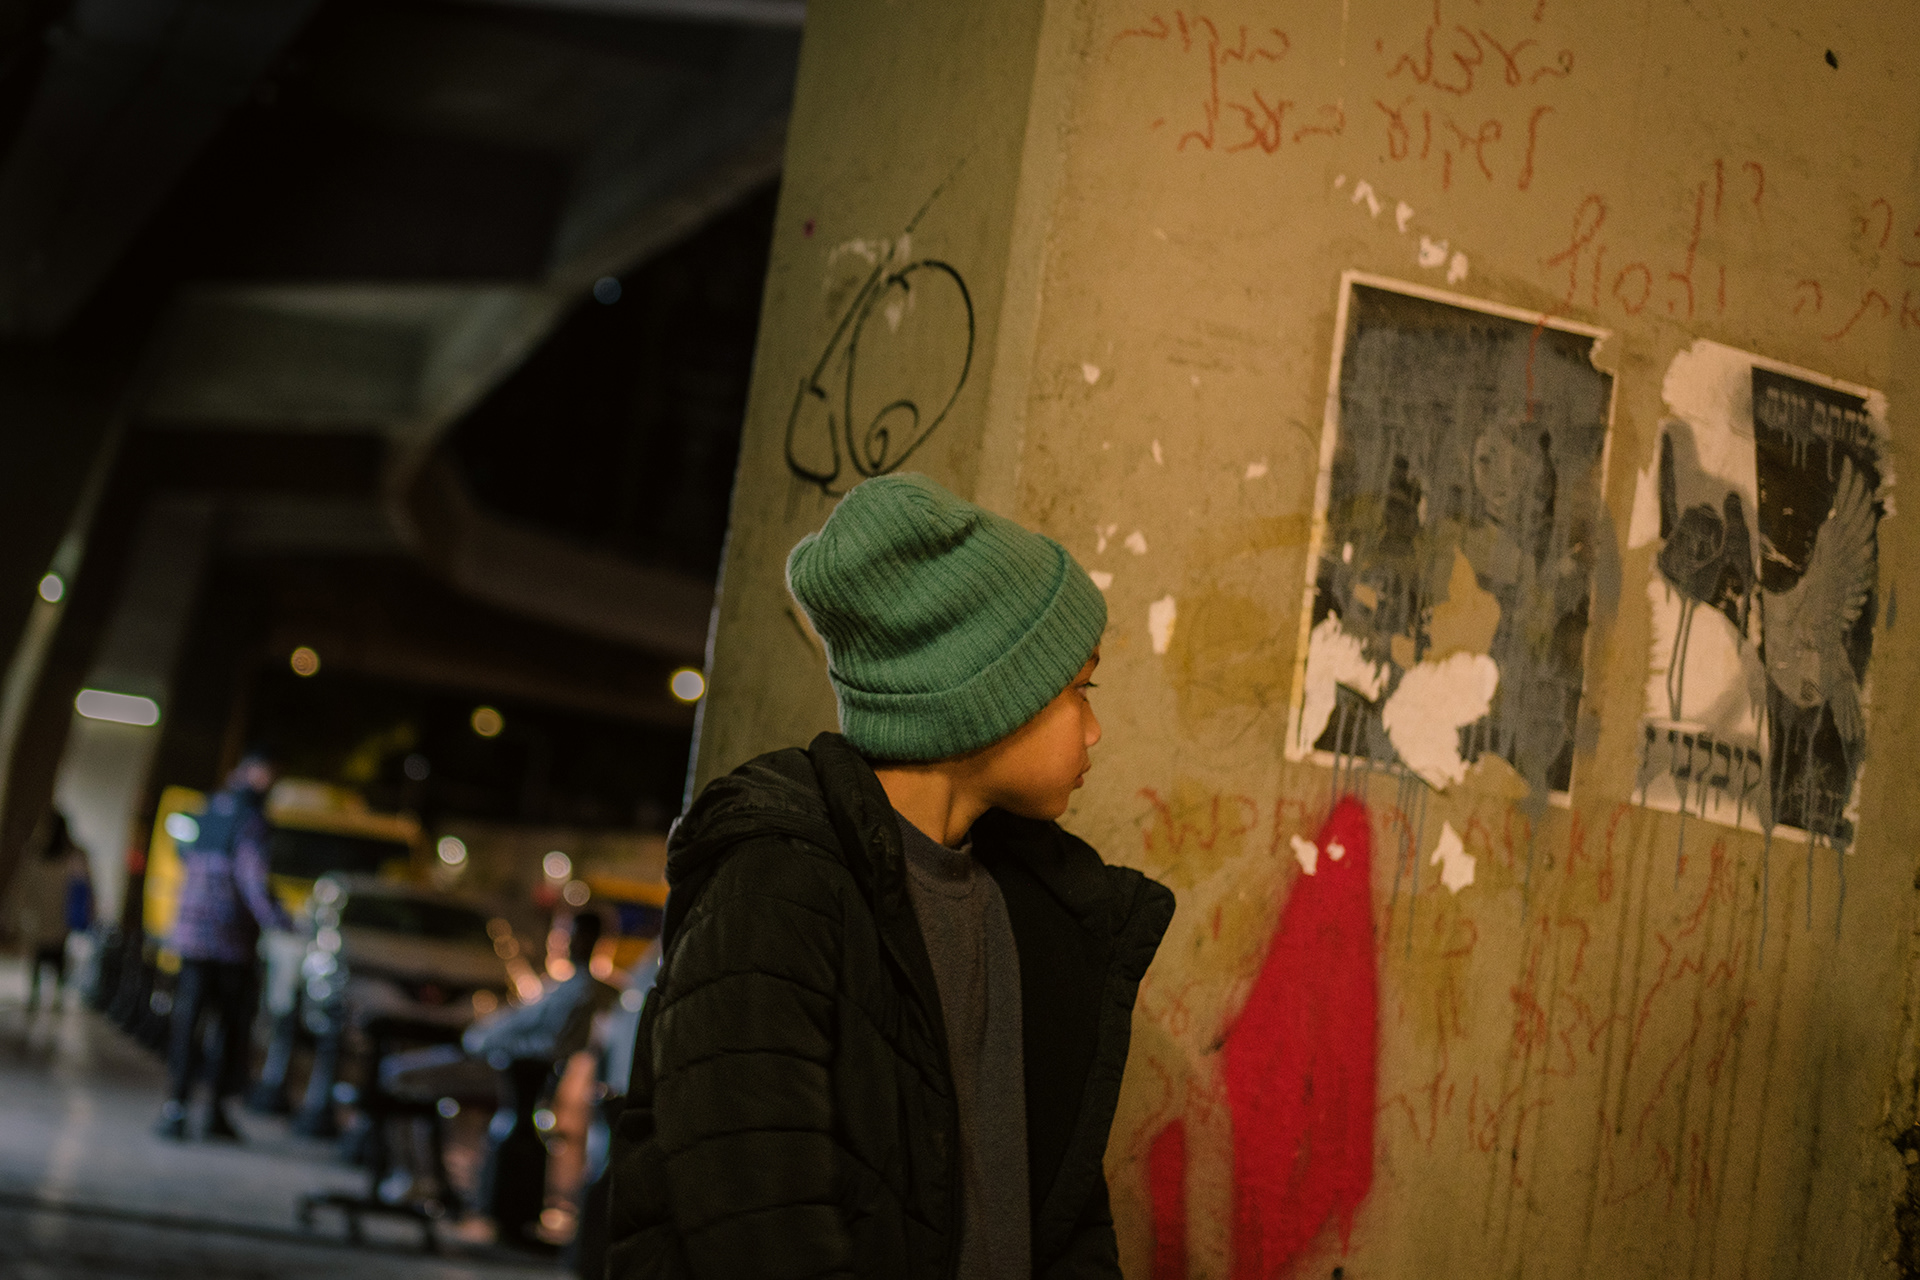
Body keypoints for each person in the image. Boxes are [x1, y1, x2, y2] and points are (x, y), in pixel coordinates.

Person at [605, 473, 1176, 1279]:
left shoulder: (1034, 904)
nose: (1095, 729)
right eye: (1079, 690)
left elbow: (1060, 1211)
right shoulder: (775, 889)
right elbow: (759, 1224)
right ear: (986, 696)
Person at [156, 753, 293, 1141]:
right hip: (229, 944)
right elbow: (253, 880)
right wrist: (280, 921)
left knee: (188, 1024)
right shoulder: (252, 821)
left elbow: (182, 853)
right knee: (228, 1029)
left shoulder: (208, 809)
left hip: (191, 938)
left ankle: (176, 1108)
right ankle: (213, 1112)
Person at [14, 811, 92, 1012]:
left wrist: (15, 914)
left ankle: (36, 996)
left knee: (39, 959)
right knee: (57, 958)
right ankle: (56, 998)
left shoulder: (37, 855)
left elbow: (23, 888)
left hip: (41, 919)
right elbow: (84, 888)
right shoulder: (73, 857)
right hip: (60, 921)